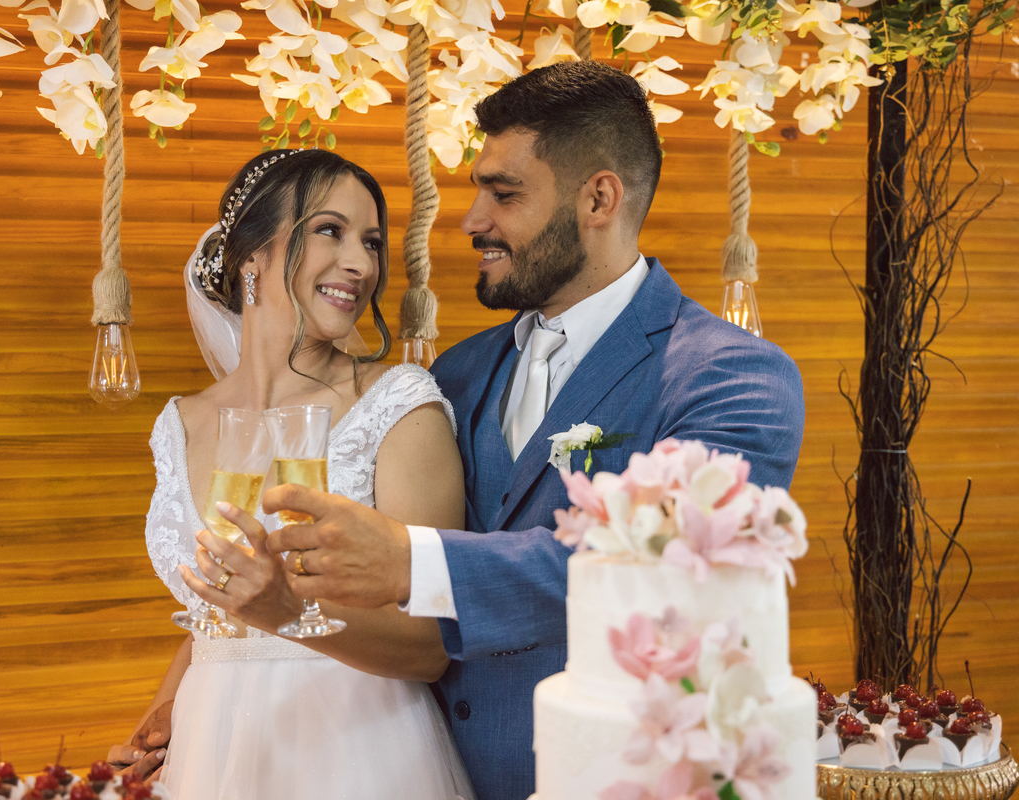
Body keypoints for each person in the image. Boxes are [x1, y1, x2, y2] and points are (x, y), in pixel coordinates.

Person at [254, 61, 807, 800]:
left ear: (599, 198)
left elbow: (663, 570)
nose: (472, 220)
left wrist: (409, 560)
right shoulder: (456, 374)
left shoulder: (734, 377)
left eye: (504, 193)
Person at [108, 148, 476, 800]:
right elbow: (217, 610)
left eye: (371, 242)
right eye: (331, 230)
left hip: (359, 747)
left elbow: (432, 646)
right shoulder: (180, 422)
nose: (361, 265)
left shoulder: (397, 404)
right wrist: (165, 712)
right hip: (214, 744)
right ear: (253, 254)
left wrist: (292, 611)